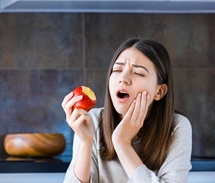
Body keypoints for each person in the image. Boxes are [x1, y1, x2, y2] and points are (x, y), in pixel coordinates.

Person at [61, 38, 192, 183]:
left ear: (159, 91)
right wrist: (86, 143)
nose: (123, 79)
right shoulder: (91, 121)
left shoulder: (177, 127)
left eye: (138, 73)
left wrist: (122, 143)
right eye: (117, 70)